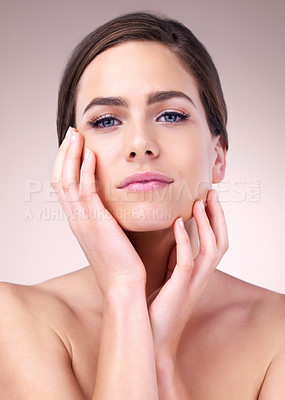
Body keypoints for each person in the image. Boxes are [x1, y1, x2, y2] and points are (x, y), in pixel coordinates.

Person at [0, 11, 284, 400]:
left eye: (170, 115)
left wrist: (161, 359)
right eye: (105, 121)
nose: (140, 143)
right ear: (70, 157)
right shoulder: (13, 318)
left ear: (217, 156)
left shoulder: (278, 331)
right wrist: (123, 291)